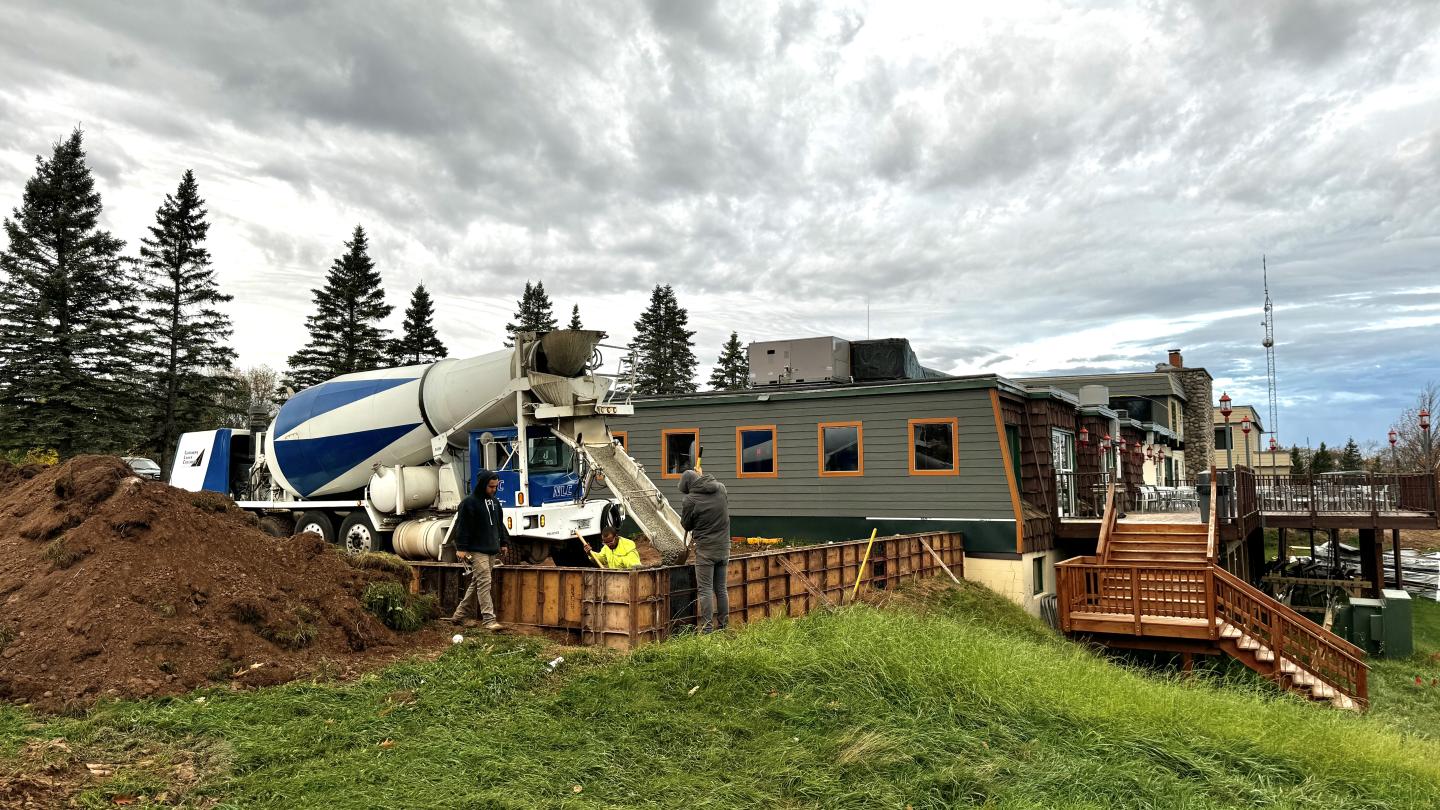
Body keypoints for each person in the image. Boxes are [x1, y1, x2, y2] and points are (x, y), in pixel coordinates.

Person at [448, 470, 510, 630]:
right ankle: (489, 620)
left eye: (496, 486)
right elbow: (461, 526)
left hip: (491, 550)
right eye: (491, 486)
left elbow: (499, 524)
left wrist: (504, 542)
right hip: (477, 551)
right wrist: (461, 547)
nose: (494, 489)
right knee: (484, 582)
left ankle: (458, 616)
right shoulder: (469, 503)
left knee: (477, 583)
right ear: (483, 485)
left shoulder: (495, 503)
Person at [679, 468, 730, 632]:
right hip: (723, 548)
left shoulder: (690, 500)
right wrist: (700, 476)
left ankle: (707, 629)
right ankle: (723, 626)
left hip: (706, 551)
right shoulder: (721, 488)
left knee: (705, 589)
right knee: (721, 589)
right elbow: (705, 486)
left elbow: (686, 525)